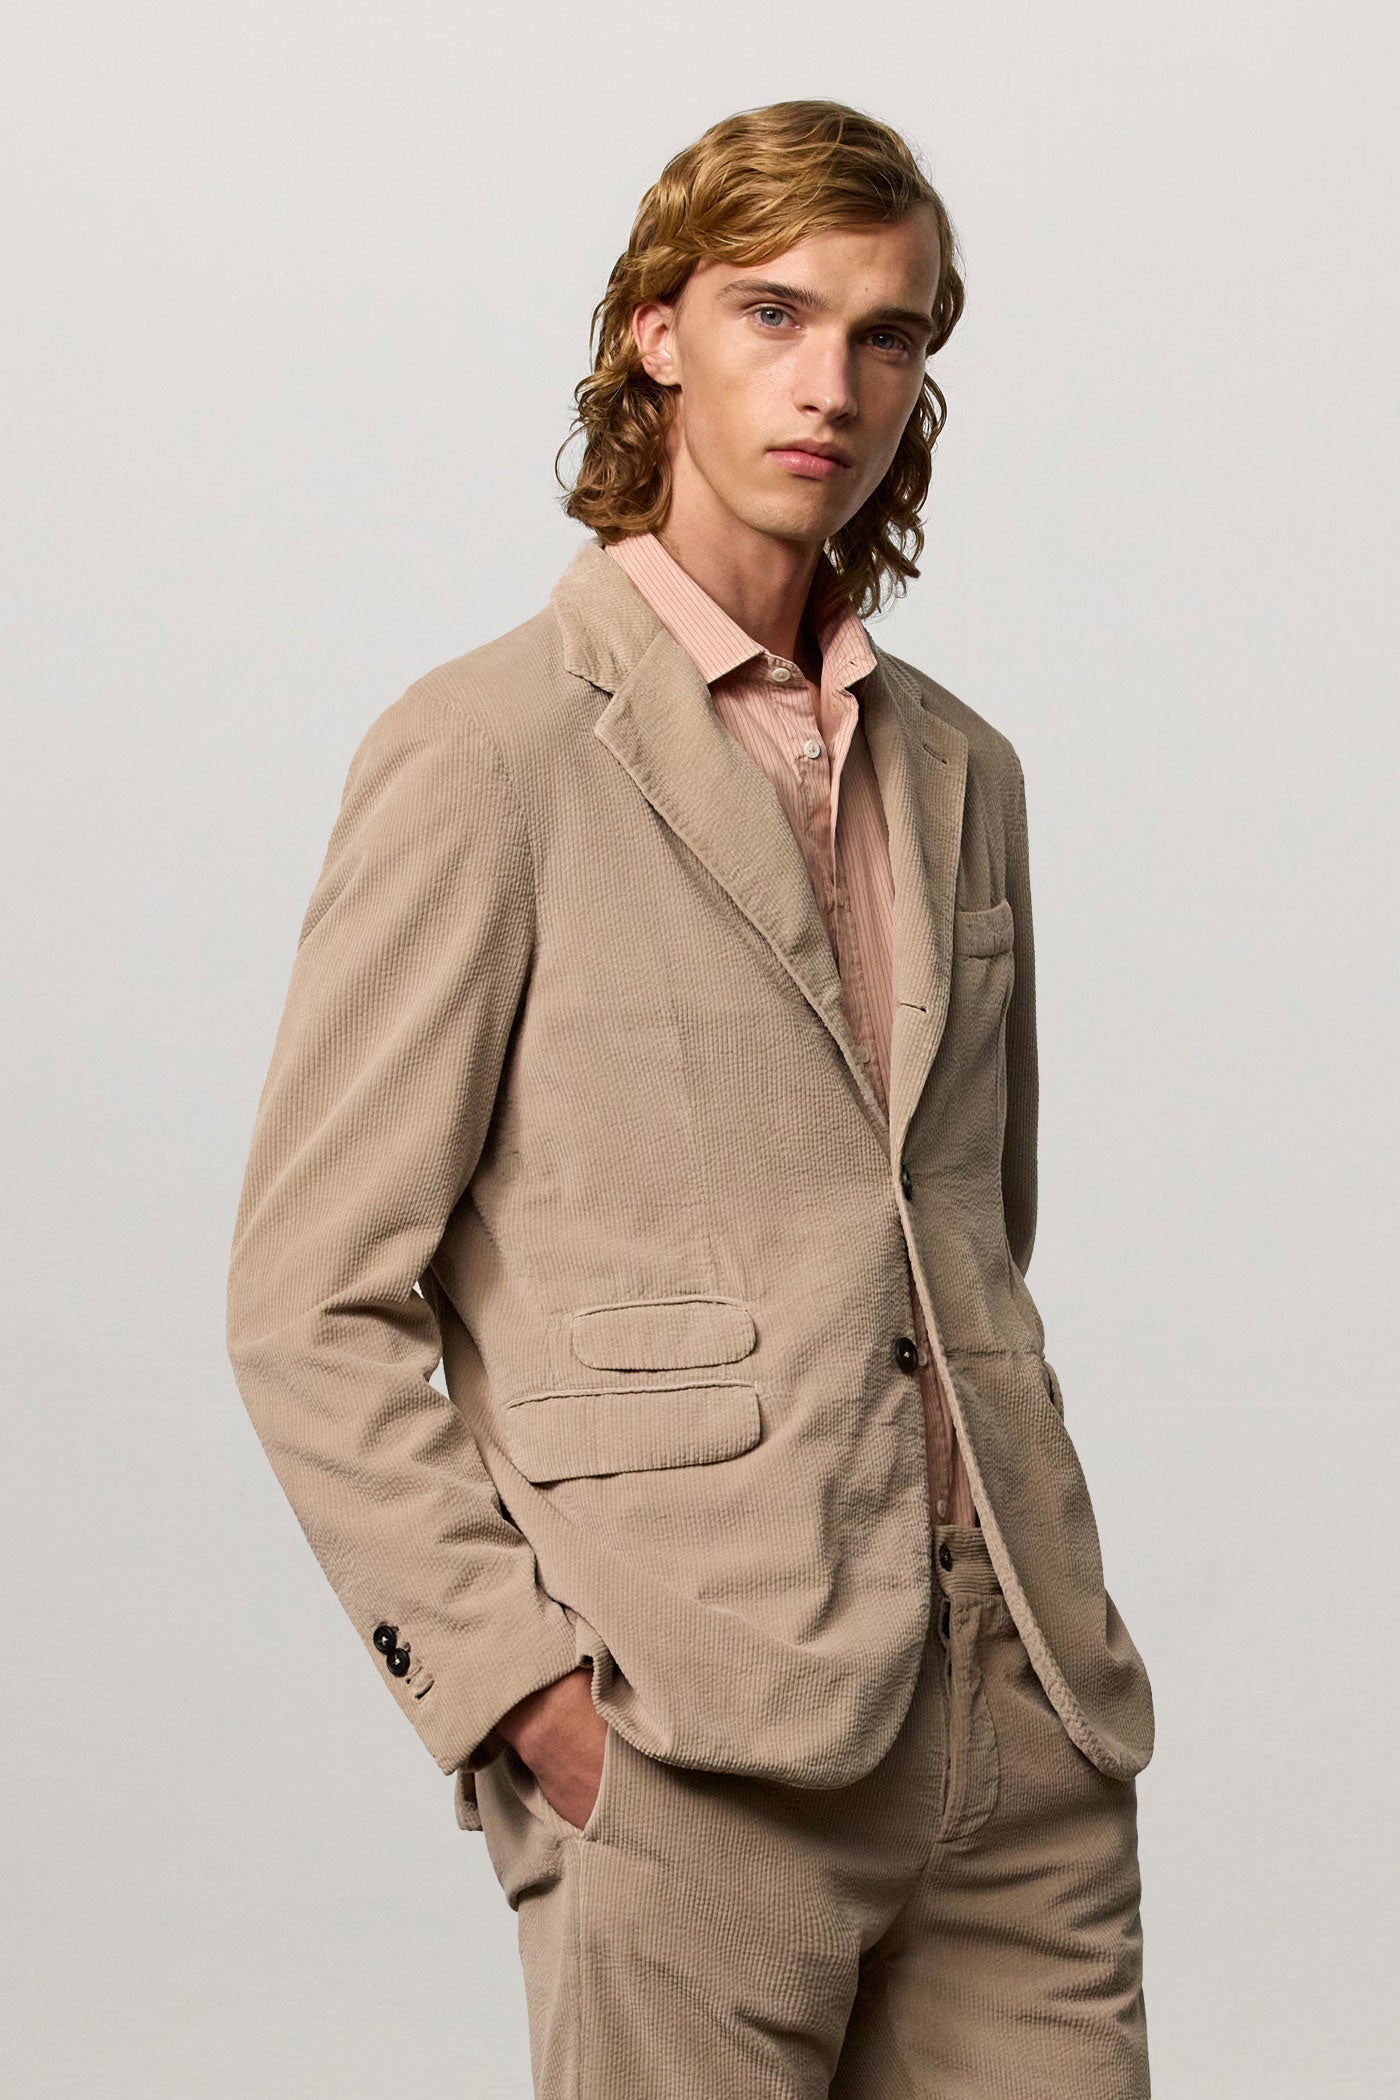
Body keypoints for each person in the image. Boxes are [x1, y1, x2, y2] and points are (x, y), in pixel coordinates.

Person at [226, 97, 1154, 2098]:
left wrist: (1034, 1646)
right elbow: (310, 1301)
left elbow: (963, 1234)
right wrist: (519, 1694)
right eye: (773, 314)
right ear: (658, 334)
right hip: (687, 1736)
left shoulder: (964, 770)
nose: (832, 384)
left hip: (1020, 1723)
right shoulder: (485, 752)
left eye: (886, 335)